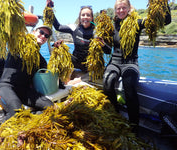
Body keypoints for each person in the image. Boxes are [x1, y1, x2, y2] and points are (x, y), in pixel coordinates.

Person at [103, 0, 171, 133]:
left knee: (129, 85)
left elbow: (165, 21)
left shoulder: (137, 22)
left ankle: (134, 124)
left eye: (124, 8)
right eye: (118, 8)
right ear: (115, 10)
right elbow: (107, 50)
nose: (121, 10)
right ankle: (115, 114)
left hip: (131, 62)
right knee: (107, 81)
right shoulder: (112, 26)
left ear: (129, 8)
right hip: (115, 62)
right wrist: (101, 44)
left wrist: (164, 3)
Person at [0, 25, 59, 120]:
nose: (43, 36)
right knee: (17, 112)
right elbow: (2, 27)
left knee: (51, 107)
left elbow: (48, 76)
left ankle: (33, 119)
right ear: (33, 32)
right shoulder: (18, 44)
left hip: (24, 91)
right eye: (41, 32)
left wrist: (58, 53)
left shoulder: (41, 60)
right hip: (6, 87)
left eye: (46, 36)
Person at [46, 0, 111, 79]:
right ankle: (56, 81)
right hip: (75, 61)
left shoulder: (96, 31)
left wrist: (103, 44)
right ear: (80, 17)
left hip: (89, 65)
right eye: (83, 15)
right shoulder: (74, 28)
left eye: (88, 15)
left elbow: (108, 51)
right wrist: (49, 10)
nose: (85, 17)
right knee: (59, 52)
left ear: (92, 17)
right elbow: (58, 27)